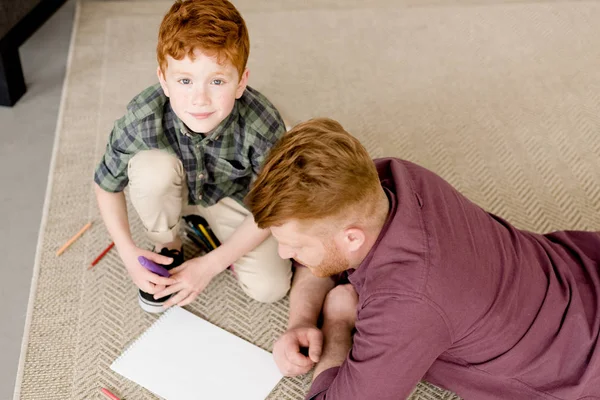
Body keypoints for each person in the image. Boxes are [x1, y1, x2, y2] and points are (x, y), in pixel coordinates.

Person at [245, 117, 600, 400]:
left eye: (296, 246)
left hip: (579, 370)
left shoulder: (407, 304)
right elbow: (331, 255)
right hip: (582, 270)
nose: (283, 254)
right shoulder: (393, 176)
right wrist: (301, 320)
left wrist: (337, 323)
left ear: (352, 237)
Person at [93, 0, 293, 313]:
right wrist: (127, 252)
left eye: (217, 81)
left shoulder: (261, 124)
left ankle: (207, 222)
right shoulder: (144, 114)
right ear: (163, 79)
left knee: (271, 288)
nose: (199, 99)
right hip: (175, 183)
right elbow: (106, 185)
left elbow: (275, 206)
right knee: (150, 169)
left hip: (232, 196)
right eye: (185, 81)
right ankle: (169, 241)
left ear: (241, 82)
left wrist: (211, 264)